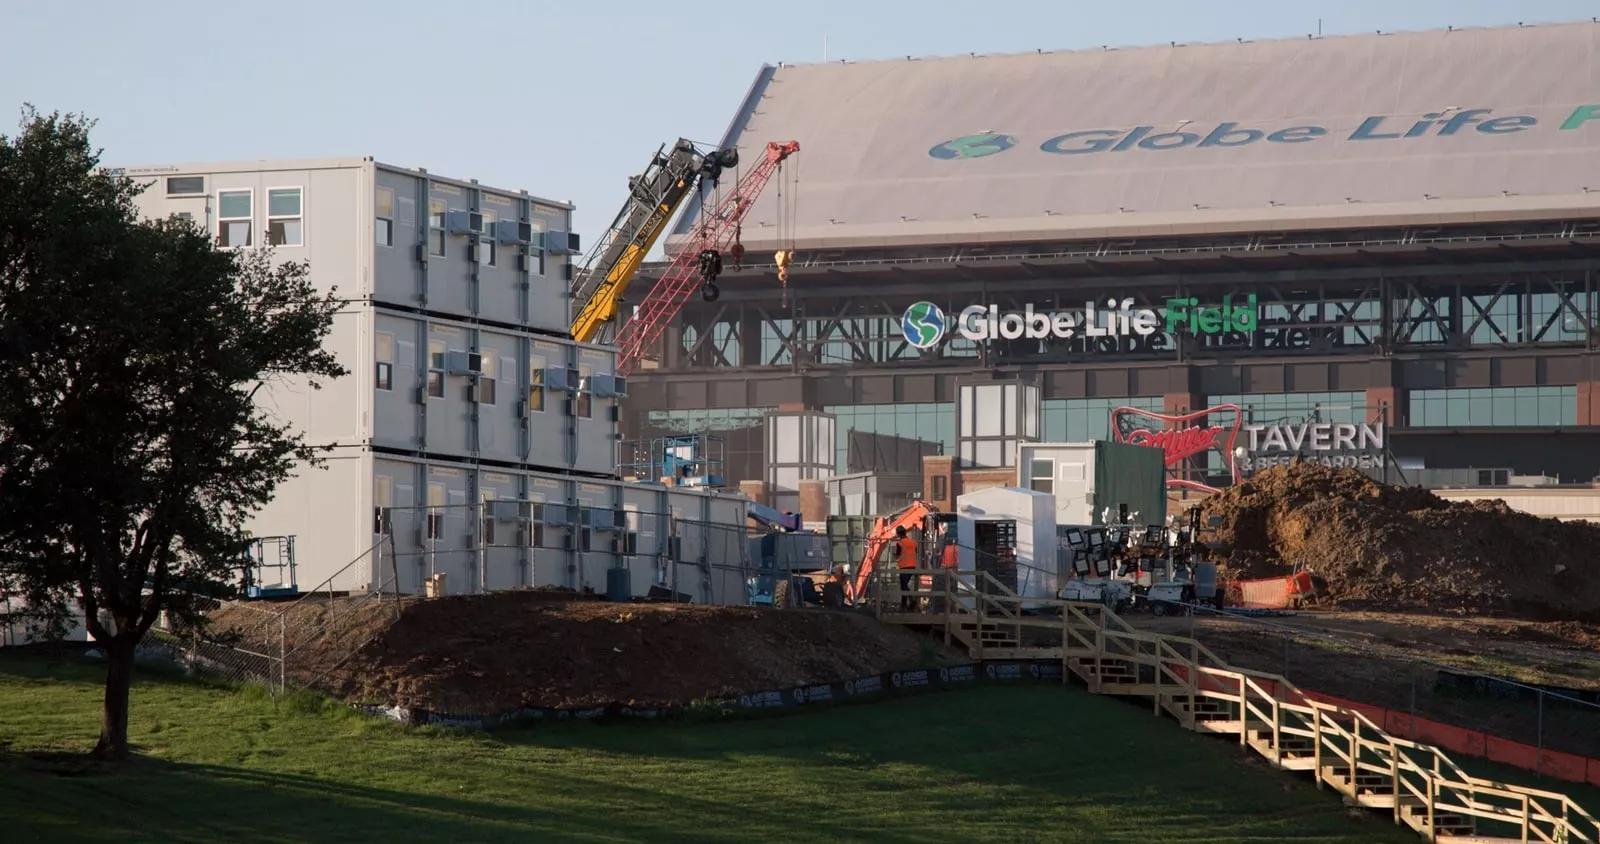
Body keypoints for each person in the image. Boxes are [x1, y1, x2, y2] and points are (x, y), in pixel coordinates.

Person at [894, 525, 919, 611]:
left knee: (904, 586)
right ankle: (904, 605)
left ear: (898, 534)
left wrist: (896, 556)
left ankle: (911, 601)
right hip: (912, 566)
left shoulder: (900, 543)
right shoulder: (913, 542)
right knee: (904, 586)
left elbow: (897, 554)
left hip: (904, 566)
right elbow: (915, 552)